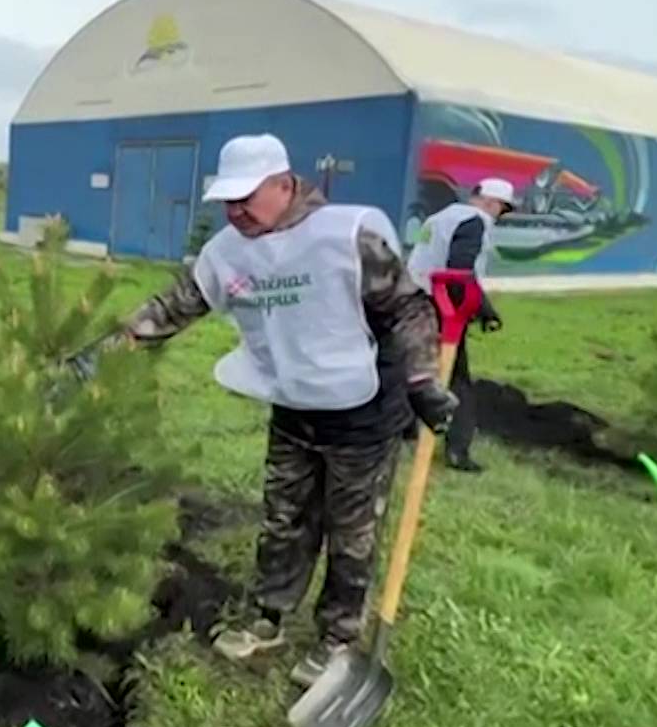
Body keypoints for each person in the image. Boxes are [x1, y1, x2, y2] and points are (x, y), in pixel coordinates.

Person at [71, 134, 456, 686]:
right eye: (227, 201)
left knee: (351, 533)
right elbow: (173, 306)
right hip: (294, 406)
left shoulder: (346, 236)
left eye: (245, 198)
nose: (235, 211)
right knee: (283, 520)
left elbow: (407, 309)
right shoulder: (228, 252)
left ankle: (337, 639)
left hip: (364, 409)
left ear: (283, 184)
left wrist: (422, 380)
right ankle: (268, 617)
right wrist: (104, 354)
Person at [405, 177, 515, 471]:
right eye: (502, 209)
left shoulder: (440, 217)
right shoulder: (475, 221)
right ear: (491, 202)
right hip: (442, 304)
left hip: (413, 299)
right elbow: (459, 272)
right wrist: (484, 310)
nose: (500, 215)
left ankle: (404, 429)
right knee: (457, 380)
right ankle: (458, 450)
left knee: (411, 366)